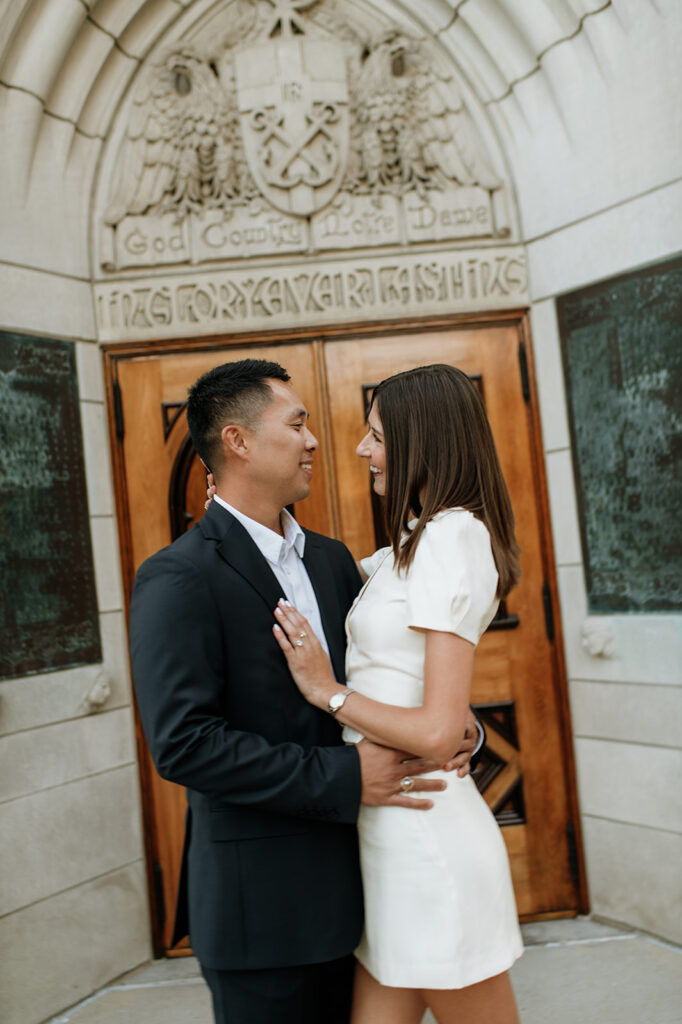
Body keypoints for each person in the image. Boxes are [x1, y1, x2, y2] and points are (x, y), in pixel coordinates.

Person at [129, 358, 482, 1024]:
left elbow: (380, 682)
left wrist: (458, 729)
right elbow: (184, 746)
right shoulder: (178, 578)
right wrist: (346, 775)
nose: (316, 440)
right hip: (263, 917)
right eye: (297, 424)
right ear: (237, 442)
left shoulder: (330, 560)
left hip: (367, 895)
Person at [271, 363, 524, 1024]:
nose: (361, 450)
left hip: (430, 845)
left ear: (423, 441)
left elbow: (439, 733)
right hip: (389, 838)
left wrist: (328, 693)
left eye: (377, 436)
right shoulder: (409, 547)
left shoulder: (450, 538)